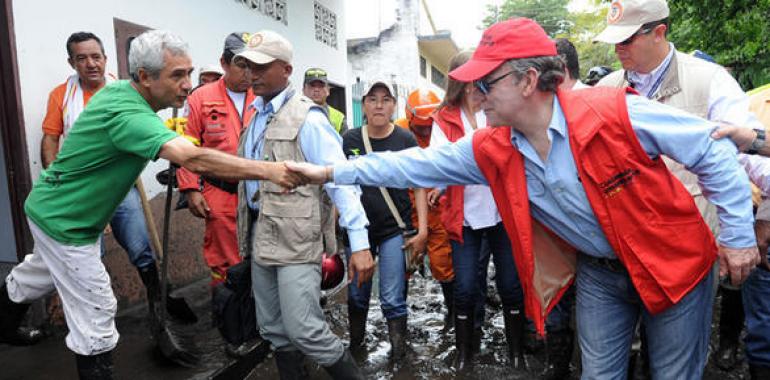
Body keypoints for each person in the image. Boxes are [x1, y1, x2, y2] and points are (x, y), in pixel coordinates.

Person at [286, 17, 761, 379]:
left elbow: (710, 148)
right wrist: (328, 171)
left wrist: (738, 236)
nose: (475, 95)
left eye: (486, 83)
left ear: (529, 81)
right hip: (600, 272)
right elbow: (411, 165)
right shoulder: (493, 147)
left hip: (673, 261)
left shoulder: (614, 111)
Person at [0, 30, 303, 379]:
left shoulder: (119, 92)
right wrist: (274, 171)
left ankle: (4, 323)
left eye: (188, 73)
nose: (188, 85)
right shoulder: (130, 115)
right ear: (144, 76)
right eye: (178, 75)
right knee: (97, 313)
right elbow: (195, 158)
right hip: (68, 223)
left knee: (36, 275)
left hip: (49, 208)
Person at [594, 1, 770, 375]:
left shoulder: (708, 80)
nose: (618, 50)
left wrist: (755, 221)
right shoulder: (607, 88)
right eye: (614, 41)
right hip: (623, 250)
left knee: (676, 363)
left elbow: (745, 155)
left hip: (687, 251)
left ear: (659, 31)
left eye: (626, 39)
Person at [234, 30, 373, 379]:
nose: (252, 74)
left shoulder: (308, 119)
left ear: (286, 69)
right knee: (274, 329)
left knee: (305, 330)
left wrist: (359, 244)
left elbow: (342, 179)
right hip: (260, 234)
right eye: (247, 66)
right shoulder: (254, 118)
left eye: (261, 66)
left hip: (297, 239)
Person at [39, 31, 194, 328]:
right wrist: (56, 181)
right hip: (80, 192)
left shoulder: (124, 89)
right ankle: (91, 316)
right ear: (71, 62)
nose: (91, 64)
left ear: (105, 59)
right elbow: (50, 141)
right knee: (88, 253)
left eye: (96, 57)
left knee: (139, 243)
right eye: (81, 58)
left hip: (122, 186)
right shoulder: (62, 95)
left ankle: (157, 300)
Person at [429, 49, 526, 371]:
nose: (473, 85)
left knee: (511, 285)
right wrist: (442, 184)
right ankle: (464, 354)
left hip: (502, 214)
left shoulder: (496, 109)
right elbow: (438, 164)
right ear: (457, 80)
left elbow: (515, 153)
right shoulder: (444, 118)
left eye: (478, 76)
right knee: (466, 288)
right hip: (464, 217)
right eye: (466, 78)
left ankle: (517, 353)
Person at [343, 81, 428, 362]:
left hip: (394, 229)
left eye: (385, 99)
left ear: (394, 106)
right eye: (372, 99)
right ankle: (356, 350)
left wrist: (423, 230)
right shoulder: (350, 140)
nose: (379, 105)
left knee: (392, 298)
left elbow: (418, 185)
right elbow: (340, 187)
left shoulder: (405, 140)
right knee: (357, 296)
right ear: (364, 105)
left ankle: (398, 358)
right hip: (358, 232)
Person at [178, 32, 256, 287]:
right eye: (241, 65)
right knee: (224, 264)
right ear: (224, 63)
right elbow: (187, 144)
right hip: (219, 194)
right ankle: (228, 316)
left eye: (253, 65)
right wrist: (190, 188)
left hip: (259, 195)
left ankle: (258, 320)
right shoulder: (200, 97)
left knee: (261, 258)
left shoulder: (264, 96)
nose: (248, 73)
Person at [712, 86, 770, 379]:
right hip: (752, 211)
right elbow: (746, 159)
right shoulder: (751, 100)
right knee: (750, 294)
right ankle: (730, 342)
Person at [394, 89, 456, 332]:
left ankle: (453, 316)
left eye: (429, 127)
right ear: (410, 119)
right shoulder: (399, 132)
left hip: (437, 208)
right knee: (405, 266)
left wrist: (442, 188)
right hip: (407, 210)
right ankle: (400, 321)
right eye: (421, 128)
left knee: (443, 264)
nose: (426, 132)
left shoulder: (443, 130)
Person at [303, 67, 347, 134]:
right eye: (312, 86)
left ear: (328, 91)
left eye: (321, 86)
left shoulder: (339, 118)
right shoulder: (293, 114)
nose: (316, 90)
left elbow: (345, 143)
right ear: (303, 90)